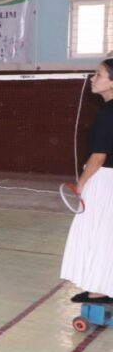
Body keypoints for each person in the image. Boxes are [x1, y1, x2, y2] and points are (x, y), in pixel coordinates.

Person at [63, 60, 113, 304]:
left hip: (104, 179)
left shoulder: (108, 113)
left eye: (99, 74)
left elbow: (99, 155)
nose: (92, 79)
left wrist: (81, 182)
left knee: (101, 233)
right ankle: (100, 286)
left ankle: (100, 291)